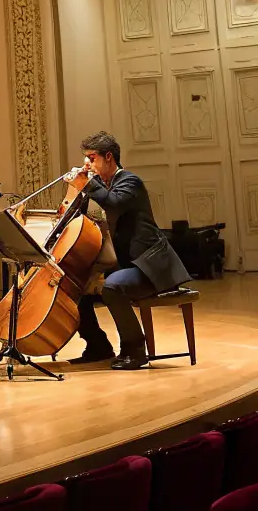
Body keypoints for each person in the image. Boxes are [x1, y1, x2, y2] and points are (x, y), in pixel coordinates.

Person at [67, 131, 191, 370]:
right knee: (76, 288)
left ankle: (135, 350)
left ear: (109, 157)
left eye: (91, 158)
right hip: (124, 264)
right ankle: (98, 345)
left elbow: (113, 203)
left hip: (150, 266)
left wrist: (88, 183)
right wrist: (76, 191)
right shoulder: (100, 186)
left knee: (113, 287)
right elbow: (79, 215)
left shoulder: (129, 181)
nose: (86, 163)